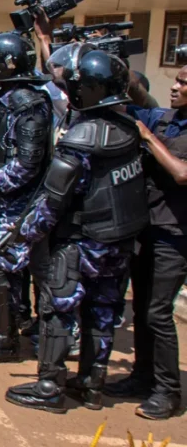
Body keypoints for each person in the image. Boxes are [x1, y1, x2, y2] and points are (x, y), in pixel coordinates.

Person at [3, 48, 148, 414]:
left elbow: (53, 201)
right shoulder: (129, 129)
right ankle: (91, 384)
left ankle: (50, 384)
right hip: (117, 241)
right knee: (102, 312)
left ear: (92, 89)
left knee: (57, 310)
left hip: (79, 241)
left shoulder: (81, 138)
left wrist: (24, 235)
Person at [105, 62, 187, 420]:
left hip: (176, 235)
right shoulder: (168, 118)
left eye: (184, 82)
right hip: (147, 228)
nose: (176, 85)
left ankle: (168, 392)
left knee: (157, 313)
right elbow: (135, 99)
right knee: (140, 309)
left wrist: (149, 139)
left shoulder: (160, 128)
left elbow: (182, 174)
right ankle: (142, 376)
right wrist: (121, 66)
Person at [0, 32, 53, 364]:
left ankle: (7, 340)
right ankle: (5, 326)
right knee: (6, 268)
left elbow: (28, 163)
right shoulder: (6, 99)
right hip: (3, 199)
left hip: (23, 202)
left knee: (2, 266)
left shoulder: (27, 104)